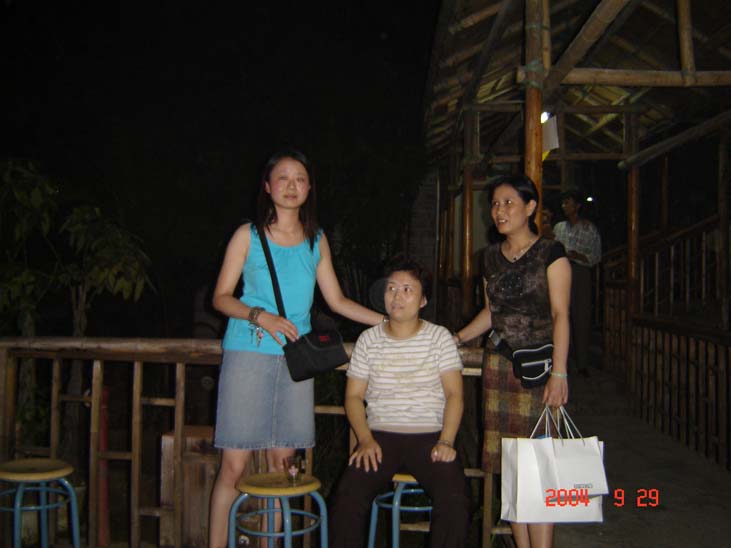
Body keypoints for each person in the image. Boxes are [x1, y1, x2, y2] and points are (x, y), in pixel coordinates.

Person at [208, 149, 384, 548]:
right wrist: (261, 317)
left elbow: (337, 301)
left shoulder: (316, 240)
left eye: (300, 179)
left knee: (283, 466)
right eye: (283, 178)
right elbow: (220, 297)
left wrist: (389, 323)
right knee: (233, 465)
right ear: (267, 187)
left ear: (309, 188)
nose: (291, 185)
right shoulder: (248, 235)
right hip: (248, 353)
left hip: (295, 363)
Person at [453, 174, 570, 548]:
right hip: (500, 368)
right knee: (512, 468)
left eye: (508, 203)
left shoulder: (551, 253)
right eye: (494, 204)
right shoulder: (489, 257)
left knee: (539, 467)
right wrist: (457, 338)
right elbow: (492, 313)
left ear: (530, 207)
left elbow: (561, 315)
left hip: (540, 372)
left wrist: (560, 373)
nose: (499, 211)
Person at [330, 257, 470, 548]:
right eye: (391, 288)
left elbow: (455, 395)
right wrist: (364, 439)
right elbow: (353, 397)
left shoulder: (439, 338)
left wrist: (446, 441)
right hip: (379, 436)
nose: (397, 296)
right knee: (347, 497)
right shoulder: (368, 340)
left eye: (408, 289)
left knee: (455, 497)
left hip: (430, 435)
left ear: (423, 300)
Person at [553, 189, 601, 377]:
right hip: (560, 271)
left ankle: (582, 363)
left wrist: (576, 255)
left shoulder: (589, 228)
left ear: (577, 206)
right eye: (563, 203)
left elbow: (595, 256)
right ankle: (561, 362)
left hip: (580, 272)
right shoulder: (559, 228)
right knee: (559, 314)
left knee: (581, 316)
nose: (564, 206)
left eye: (568, 202)